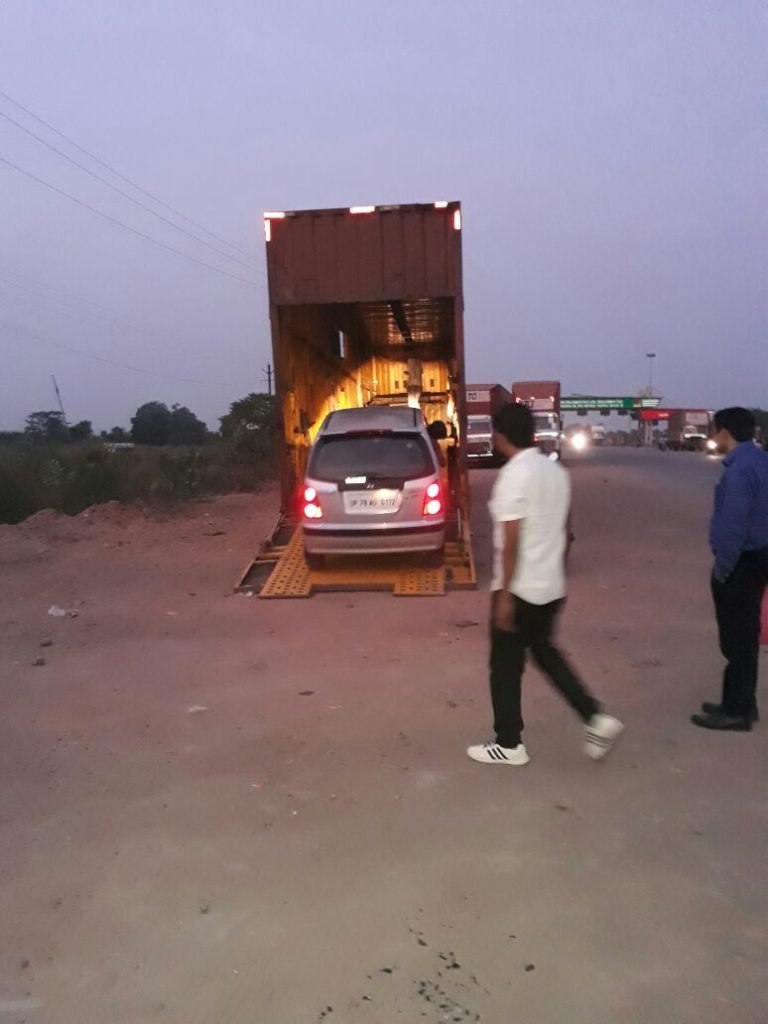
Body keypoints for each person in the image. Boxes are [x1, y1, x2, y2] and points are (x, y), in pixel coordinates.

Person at [467, 403, 623, 766]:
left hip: (519, 589)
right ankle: (596, 718)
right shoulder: (555, 473)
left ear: (500, 435)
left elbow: (512, 539)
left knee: (505, 666)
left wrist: (504, 594)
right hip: (549, 587)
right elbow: (565, 534)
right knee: (546, 654)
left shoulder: (513, 476)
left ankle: (509, 744)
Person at [692, 407, 768, 731]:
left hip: (741, 563)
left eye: (714, 432)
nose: (713, 439)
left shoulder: (739, 471)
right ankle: (742, 703)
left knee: (736, 640)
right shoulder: (759, 461)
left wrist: (723, 569)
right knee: (746, 636)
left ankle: (735, 711)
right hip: (758, 558)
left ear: (725, 432)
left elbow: (733, 527)